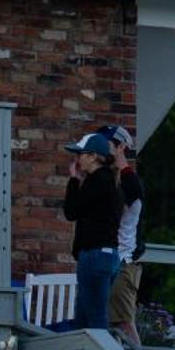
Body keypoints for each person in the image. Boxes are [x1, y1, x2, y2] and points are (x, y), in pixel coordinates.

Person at [62, 131, 124, 329]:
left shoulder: (97, 180)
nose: (77, 159)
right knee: (83, 321)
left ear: (93, 156)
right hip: (106, 255)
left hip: (95, 254)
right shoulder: (107, 180)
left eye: (80, 154)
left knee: (95, 319)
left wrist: (73, 180)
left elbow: (71, 211)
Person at [99, 125, 145, 345]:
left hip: (124, 261)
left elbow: (116, 210)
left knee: (124, 321)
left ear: (120, 147)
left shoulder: (129, 181)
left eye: (106, 143)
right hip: (112, 259)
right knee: (112, 321)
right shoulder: (112, 178)